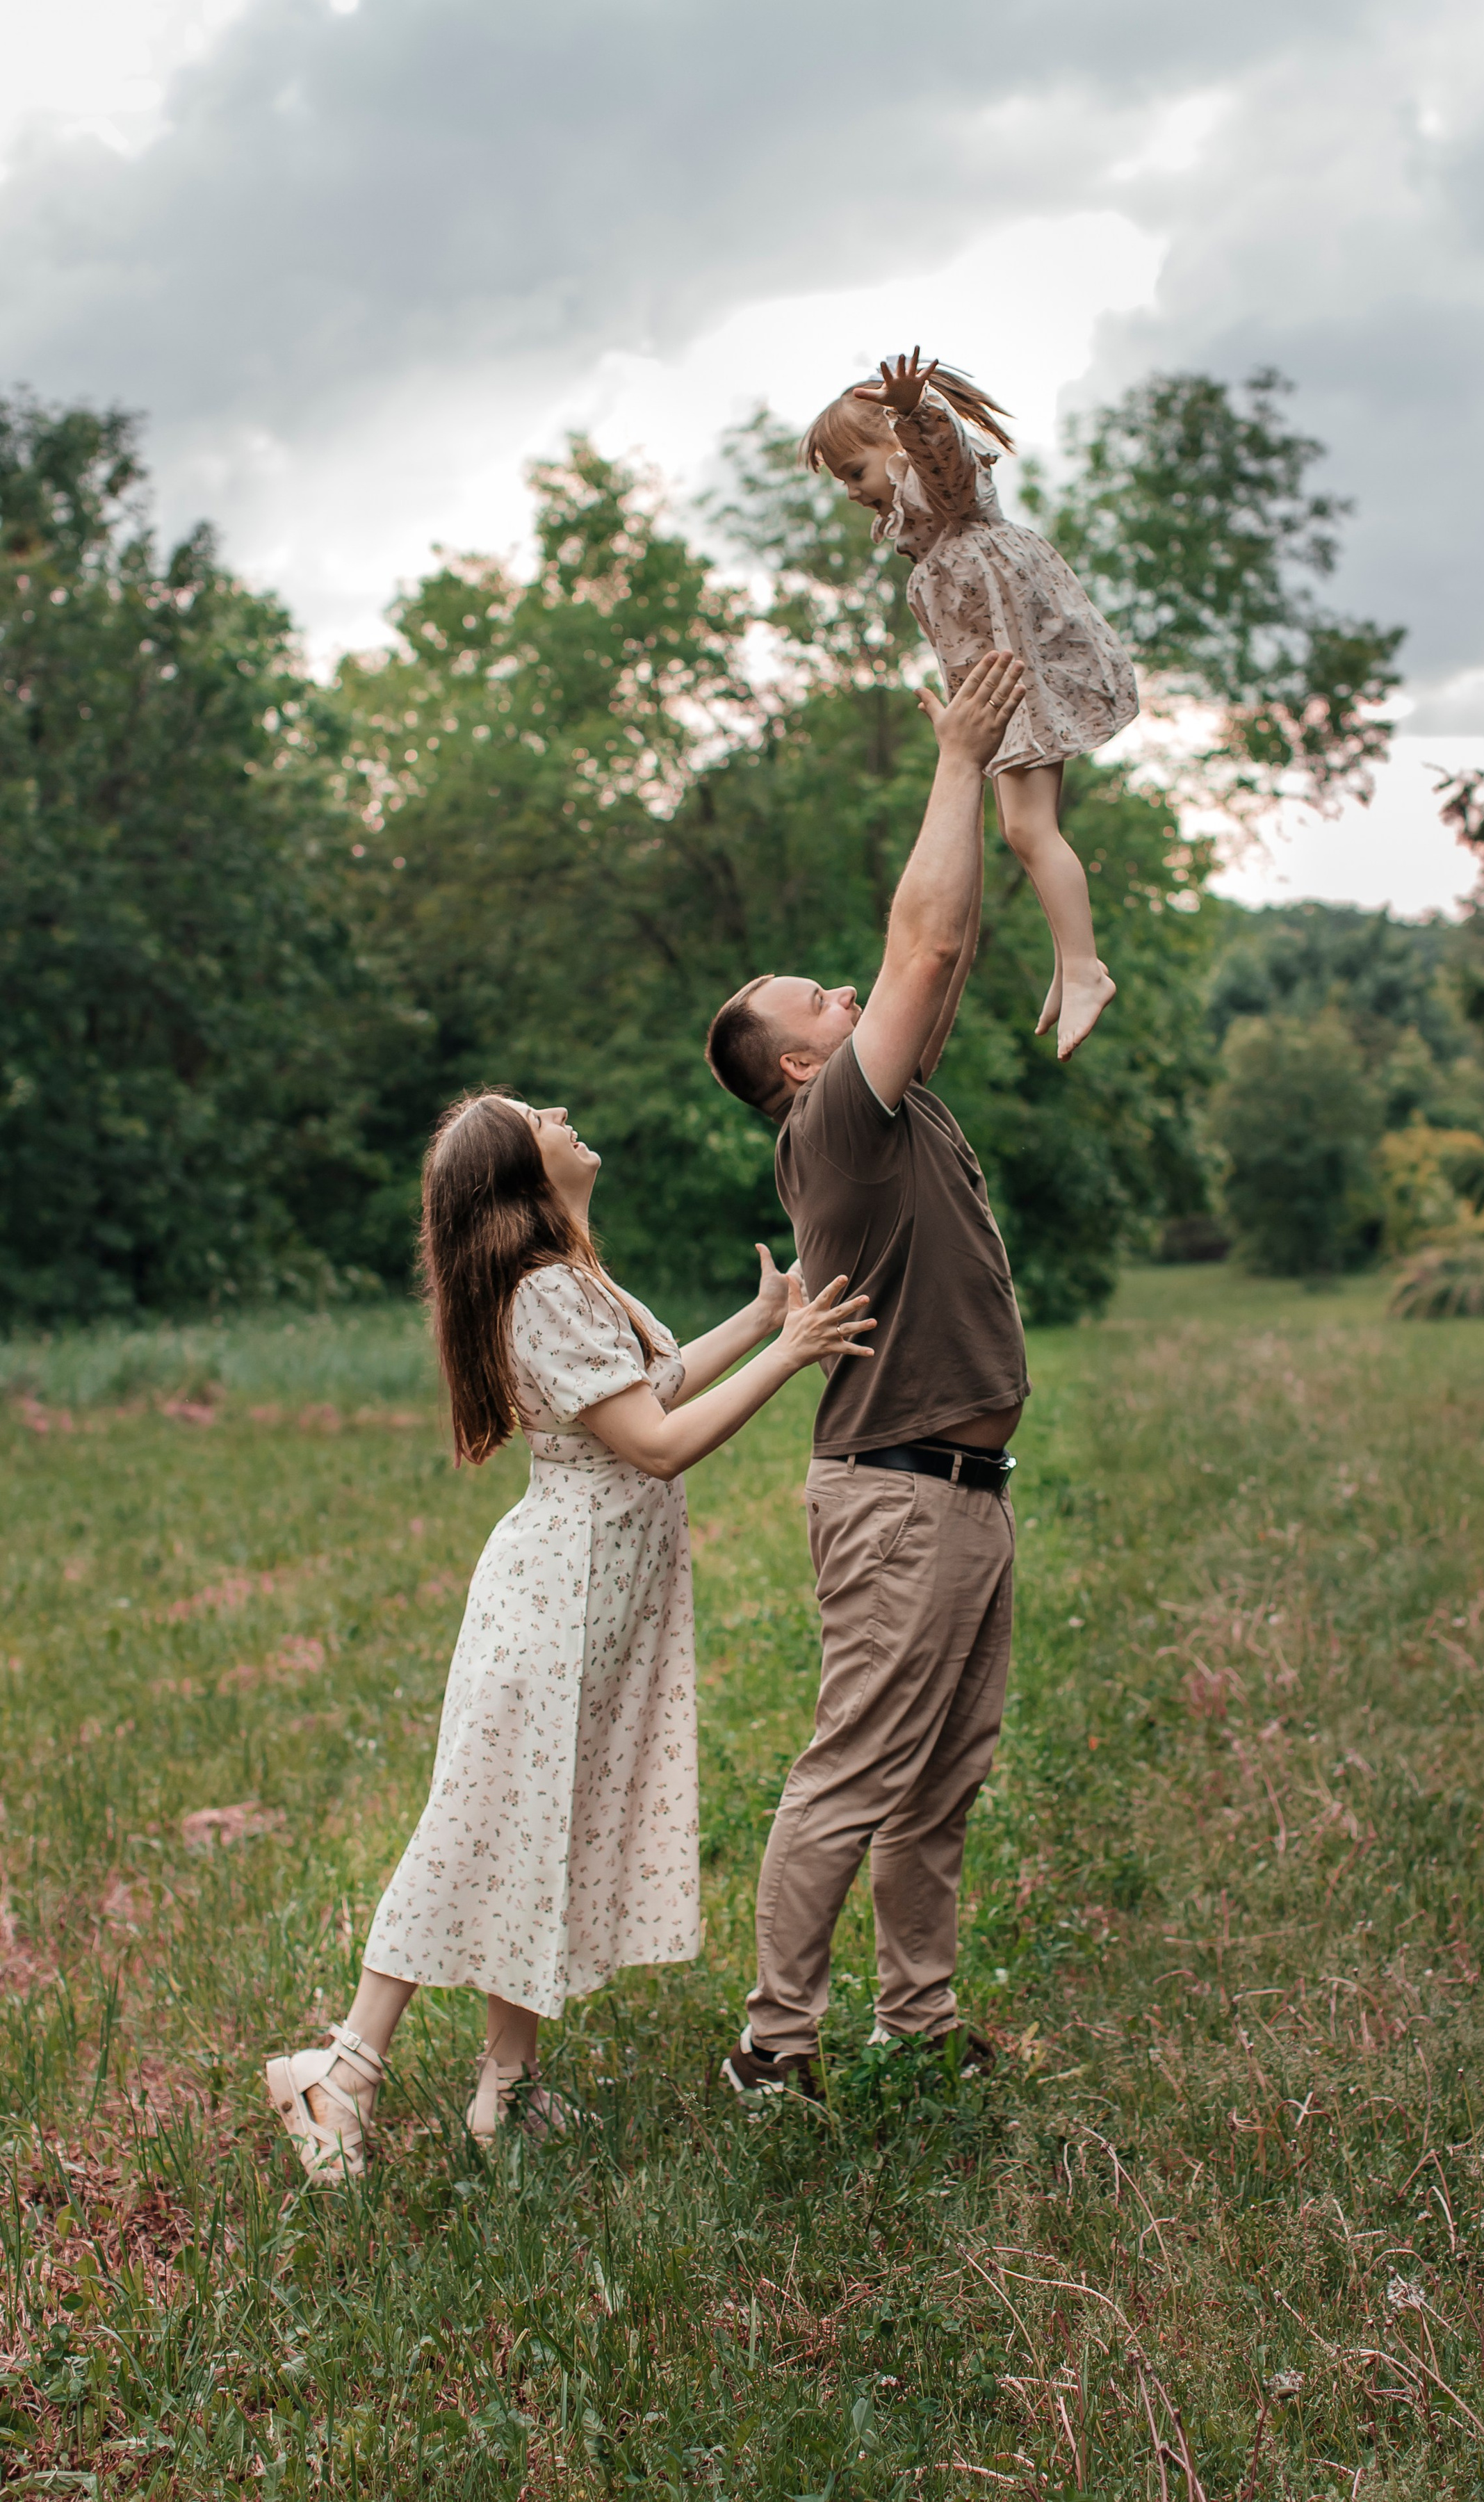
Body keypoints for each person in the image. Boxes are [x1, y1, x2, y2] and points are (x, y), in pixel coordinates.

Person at [263, 1091, 871, 2184]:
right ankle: (338, 2071)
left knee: (544, 1827)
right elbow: (655, 1442)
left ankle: (509, 2091)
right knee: (480, 1821)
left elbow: (654, 1385)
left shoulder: (572, 1279)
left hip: (597, 1596)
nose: (559, 1110)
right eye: (532, 1113)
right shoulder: (544, 1291)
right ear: (516, 1174)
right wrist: (791, 1356)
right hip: (557, 1598)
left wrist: (759, 1320)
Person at [703, 648, 1032, 2099]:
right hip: (899, 1499)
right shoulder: (834, 1122)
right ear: (792, 1067)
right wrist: (956, 758)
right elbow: (924, 948)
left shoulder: (887, 1108)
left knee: (938, 1786)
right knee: (850, 1775)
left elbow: (935, 958)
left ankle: (916, 2025)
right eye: (815, 1001)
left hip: (956, 1495)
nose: (845, 992)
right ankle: (772, 2052)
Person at [799, 348, 1139, 1059]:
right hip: (1007, 684)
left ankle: (1082, 968)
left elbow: (942, 455)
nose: (853, 491)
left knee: (1029, 829)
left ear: (895, 449)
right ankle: (1070, 958)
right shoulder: (920, 529)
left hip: (1026, 673)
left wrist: (913, 412)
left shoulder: (939, 489)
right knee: (1023, 830)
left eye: (854, 472)